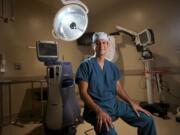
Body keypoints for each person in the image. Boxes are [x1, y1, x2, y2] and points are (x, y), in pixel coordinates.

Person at [75, 32, 157, 135]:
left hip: (115, 104)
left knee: (148, 120)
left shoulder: (112, 66)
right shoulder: (85, 66)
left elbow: (118, 88)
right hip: (96, 108)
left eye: (104, 43)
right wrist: (99, 112)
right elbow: (83, 93)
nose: (102, 46)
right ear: (93, 45)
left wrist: (132, 104)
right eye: (98, 43)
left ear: (108, 45)